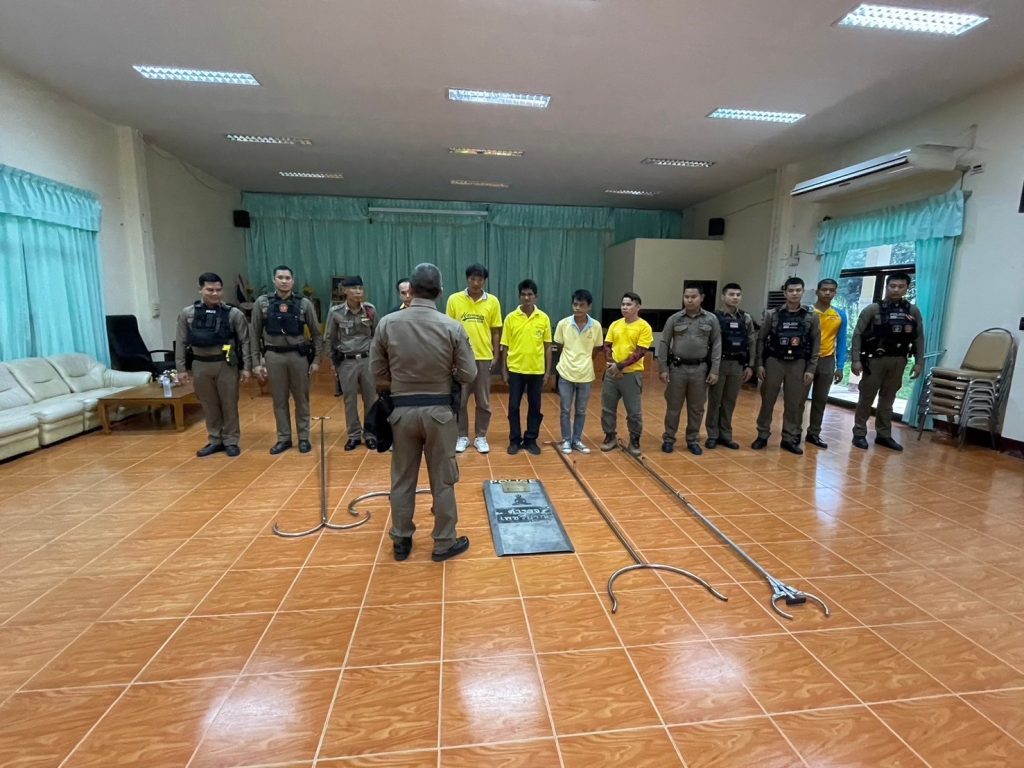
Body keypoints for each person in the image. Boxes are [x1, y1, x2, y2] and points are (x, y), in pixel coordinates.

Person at [370, 262, 478, 562]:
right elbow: (469, 373)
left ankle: (401, 540)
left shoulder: (387, 324)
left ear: (411, 290)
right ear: (440, 292)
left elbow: (376, 373)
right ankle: (443, 543)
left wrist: (400, 383)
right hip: (440, 413)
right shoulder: (451, 327)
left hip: (401, 413)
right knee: (442, 480)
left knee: (402, 480)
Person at [175, 272, 253, 457]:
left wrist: (246, 367)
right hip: (200, 364)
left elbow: (245, 341)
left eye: (218, 290)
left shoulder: (233, 313)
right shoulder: (188, 314)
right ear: (200, 290)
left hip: (226, 363)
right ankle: (215, 439)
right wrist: (181, 368)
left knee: (229, 404)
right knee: (209, 405)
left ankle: (231, 440)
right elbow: (181, 341)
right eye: (210, 290)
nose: (215, 294)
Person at [850, 271, 925, 451]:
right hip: (874, 361)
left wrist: (919, 362)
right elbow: (857, 334)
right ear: (887, 286)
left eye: (900, 286)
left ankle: (883, 434)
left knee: (888, 399)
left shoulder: (912, 311)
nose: (896, 290)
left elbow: (919, 338)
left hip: (898, 360)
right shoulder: (873, 309)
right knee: (866, 397)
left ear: (907, 288)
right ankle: (859, 433)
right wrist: (855, 360)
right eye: (892, 286)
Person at [251, 265, 322, 454]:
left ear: (293, 280)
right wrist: (256, 363)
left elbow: (316, 333)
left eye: (287, 278)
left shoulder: (304, 303)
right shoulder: (262, 303)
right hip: (273, 356)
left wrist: (316, 360)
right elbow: (254, 334)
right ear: (273, 280)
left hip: (298, 356)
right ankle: (283, 438)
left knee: (302, 399)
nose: (284, 281)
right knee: (279, 399)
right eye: (280, 277)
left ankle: (304, 438)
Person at [753, 277, 821, 455]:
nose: (794, 294)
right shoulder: (772, 314)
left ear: (803, 292)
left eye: (798, 290)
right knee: (767, 401)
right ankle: (762, 435)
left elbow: (816, 344)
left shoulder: (811, 316)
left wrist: (811, 368)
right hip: (774, 361)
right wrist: (759, 364)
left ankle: (789, 438)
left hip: (798, 363)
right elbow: (761, 340)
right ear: (785, 293)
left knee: (794, 403)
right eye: (791, 290)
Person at [658, 283, 722, 455]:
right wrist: (663, 368)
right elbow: (664, 343)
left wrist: (714, 370)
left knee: (697, 408)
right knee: (673, 406)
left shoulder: (711, 319)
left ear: (701, 298)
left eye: (693, 297)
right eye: (686, 297)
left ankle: (693, 440)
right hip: (677, 369)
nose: (689, 300)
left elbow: (717, 344)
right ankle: (669, 439)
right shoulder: (674, 319)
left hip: (700, 370)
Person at [446, 264, 503, 454]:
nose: (476, 283)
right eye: (472, 279)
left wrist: (495, 356)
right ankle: (462, 436)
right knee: (461, 401)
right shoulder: (454, 299)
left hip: (484, 357)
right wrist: (451, 357)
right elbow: (449, 330)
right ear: (467, 279)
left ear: (484, 281)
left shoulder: (493, 301)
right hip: (461, 359)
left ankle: (481, 436)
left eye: (479, 279)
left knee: (483, 401)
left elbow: (496, 331)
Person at [323, 275, 378, 451]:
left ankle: (370, 434)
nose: (358, 292)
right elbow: (329, 338)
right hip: (346, 362)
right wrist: (333, 362)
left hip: (367, 360)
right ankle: (354, 435)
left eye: (360, 288)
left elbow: (377, 335)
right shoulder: (336, 312)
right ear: (345, 291)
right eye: (354, 288)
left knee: (371, 399)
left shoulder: (369, 310)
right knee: (350, 400)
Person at [499, 279, 552, 455]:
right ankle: (515, 440)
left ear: (536, 296)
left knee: (535, 406)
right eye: (523, 294)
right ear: (519, 296)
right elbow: (505, 346)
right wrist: (504, 371)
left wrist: (547, 372)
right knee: (513, 406)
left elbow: (547, 347)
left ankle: (531, 439)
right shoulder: (510, 318)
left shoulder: (543, 318)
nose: (526, 298)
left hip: (536, 370)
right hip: (515, 370)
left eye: (530, 294)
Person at [601, 292, 654, 457]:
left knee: (634, 411)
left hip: (631, 375)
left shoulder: (644, 327)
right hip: (611, 374)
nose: (624, 307)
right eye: (623, 304)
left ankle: (635, 439)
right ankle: (610, 436)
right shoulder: (615, 324)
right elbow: (607, 345)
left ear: (637, 307)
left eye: (628, 304)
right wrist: (611, 363)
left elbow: (640, 352)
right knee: (607, 408)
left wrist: (620, 366)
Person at [552, 289, 603, 454]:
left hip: (585, 375)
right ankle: (566, 440)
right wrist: (570, 360)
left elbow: (596, 350)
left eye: (582, 305)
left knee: (581, 410)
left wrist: (584, 362)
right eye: (575, 304)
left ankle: (577, 440)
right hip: (566, 373)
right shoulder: (563, 324)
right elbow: (560, 346)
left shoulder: (596, 326)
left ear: (589, 307)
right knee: (565, 409)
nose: (577, 308)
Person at [705, 283, 755, 450]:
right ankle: (712, 435)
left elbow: (751, 342)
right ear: (723, 296)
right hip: (719, 364)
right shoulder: (714, 317)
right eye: (731, 294)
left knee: (729, 401)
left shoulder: (746, 318)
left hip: (737, 365)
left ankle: (726, 435)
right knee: (715, 401)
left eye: (738, 295)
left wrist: (750, 365)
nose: (735, 297)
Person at [805, 278, 848, 449]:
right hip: (806, 360)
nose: (827, 293)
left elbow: (842, 341)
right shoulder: (807, 312)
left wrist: (840, 366)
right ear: (817, 291)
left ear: (835, 293)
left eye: (831, 290)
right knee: (799, 399)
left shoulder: (839, 315)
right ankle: (793, 433)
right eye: (824, 289)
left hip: (827, 360)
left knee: (820, 399)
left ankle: (814, 433)